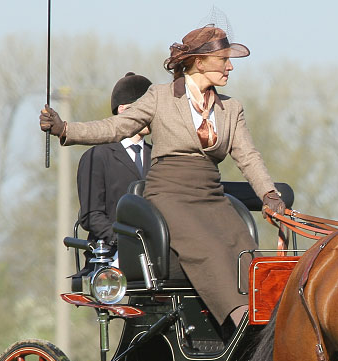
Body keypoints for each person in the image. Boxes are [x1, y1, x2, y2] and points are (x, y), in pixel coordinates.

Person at [41, 23, 286, 332]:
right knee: (208, 247)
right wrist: (66, 129)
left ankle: (269, 320)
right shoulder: (160, 97)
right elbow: (115, 127)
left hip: (210, 194)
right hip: (169, 194)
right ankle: (244, 326)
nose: (230, 66)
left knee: (244, 246)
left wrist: (269, 195)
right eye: (223, 59)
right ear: (200, 61)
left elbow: (248, 157)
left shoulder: (230, 108)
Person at [76, 72, 152, 273]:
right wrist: (123, 240)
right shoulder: (97, 156)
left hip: (156, 253)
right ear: (123, 111)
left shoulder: (160, 157)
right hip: (111, 254)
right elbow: (91, 215)